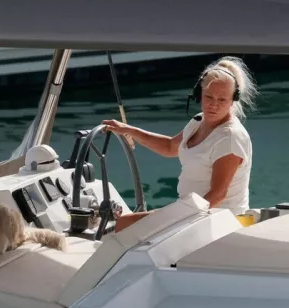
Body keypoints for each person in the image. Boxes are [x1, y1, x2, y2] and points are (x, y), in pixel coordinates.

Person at [102, 56, 258, 232]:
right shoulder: (199, 121)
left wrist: (174, 220)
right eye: (208, 97)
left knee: (122, 226)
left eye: (222, 100)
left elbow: (217, 194)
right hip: (192, 213)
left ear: (233, 100)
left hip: (216, 221)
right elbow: (169, 147)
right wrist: (128, 130)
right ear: (198, 94)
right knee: (119, 225)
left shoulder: (230, 137)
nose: (213, 105)